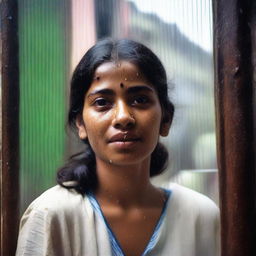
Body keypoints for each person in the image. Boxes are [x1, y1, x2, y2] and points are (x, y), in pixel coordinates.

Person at [16, 38, 220, 256]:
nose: (123, 117)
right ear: (81, 124)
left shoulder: (201, 217)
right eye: (102, 102)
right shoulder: (51, 215)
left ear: (166, 119)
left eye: (140, 100)